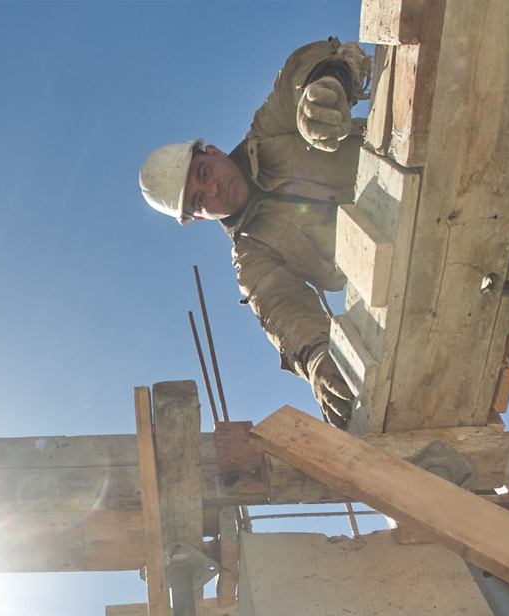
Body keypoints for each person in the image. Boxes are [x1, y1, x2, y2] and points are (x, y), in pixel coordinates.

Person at [139, 39, 371, 429]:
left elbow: (297, 79)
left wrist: (325, 86)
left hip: (414, 165)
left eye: (204, 174)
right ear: (197, 218)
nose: (212, 192)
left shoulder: (271, 130)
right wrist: (316, 357)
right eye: (197, 201)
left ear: (212, 151)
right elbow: (282, 308)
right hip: (396, 260)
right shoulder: (253, 257)